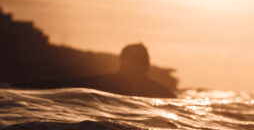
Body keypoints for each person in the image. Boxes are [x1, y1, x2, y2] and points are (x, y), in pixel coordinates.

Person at [16, 43, 176, 98]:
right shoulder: (100, 83)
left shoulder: (163, 95)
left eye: (142, 61)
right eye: (135, 60)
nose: (139, 65)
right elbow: (61, 86)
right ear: (122, 62)